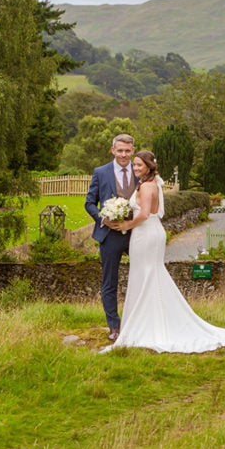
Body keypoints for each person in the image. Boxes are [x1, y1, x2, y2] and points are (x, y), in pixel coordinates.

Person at [103, 151, 225, 354]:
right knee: (150, 274)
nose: (135, 168)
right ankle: (151, 321)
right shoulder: (154, 184)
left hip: (145, 234)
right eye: (134, 165)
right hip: (152, 232)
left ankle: (146, 326)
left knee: (145, 275)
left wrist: (126, 224)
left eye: (139, 165)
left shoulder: (147, 186)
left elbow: (143, 214)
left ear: (149, 167)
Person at [85, 133, 136, 341]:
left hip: (136, 234)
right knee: (109, 282)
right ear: (112, 150)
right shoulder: (101, 172)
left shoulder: (141, 171)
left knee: (141, 277)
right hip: (109, 235)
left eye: (127, 150)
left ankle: (138, 322)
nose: (123, 154)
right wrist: (103, 219)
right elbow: (89, 203)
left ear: (133, 150)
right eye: (120, 150)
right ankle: (114, 327)